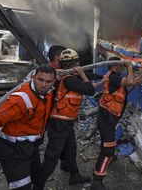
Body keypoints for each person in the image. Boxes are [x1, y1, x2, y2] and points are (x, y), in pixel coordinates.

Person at [35, 49, 104, 189]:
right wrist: (83, 74)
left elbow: (89, 75)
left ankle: (74, 176)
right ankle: (37, 184)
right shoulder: (70, 80)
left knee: (71, 149)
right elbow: (90, 90)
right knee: (52, 157)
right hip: (60, 122)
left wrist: (103, 76)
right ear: (76, 63)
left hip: (66, 122)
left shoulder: (70, 75)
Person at [91, 57, 142, 190]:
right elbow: (129, 80)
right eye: (121, 66)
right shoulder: (113, 78)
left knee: (107, 144)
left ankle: (108, 158)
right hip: (106, 120)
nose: (122, 68)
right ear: (114, 66)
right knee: (108, 150)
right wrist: (129, 66)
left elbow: (134, 82)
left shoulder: (116, 78)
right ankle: (97, 181)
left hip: (108, 119)